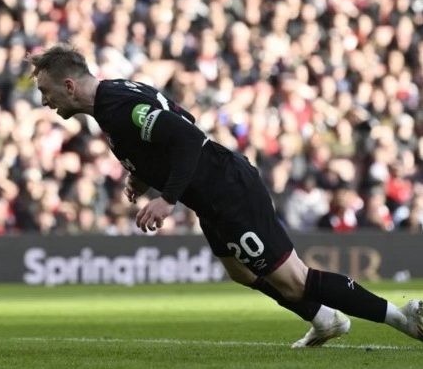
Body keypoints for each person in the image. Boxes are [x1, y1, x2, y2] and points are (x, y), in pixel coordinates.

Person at [29, 43, 423, 348]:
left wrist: (166, 197)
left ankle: (402, 317)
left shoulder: (116, 106)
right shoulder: (113, 95)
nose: (45, 102)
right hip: (210, 195)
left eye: (46, 92)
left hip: (226, 189)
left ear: (68, 85)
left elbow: (188, 136)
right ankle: (323, 319)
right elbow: (179, 119)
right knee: (240, 270)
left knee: (295, 279)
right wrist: (141, 175)